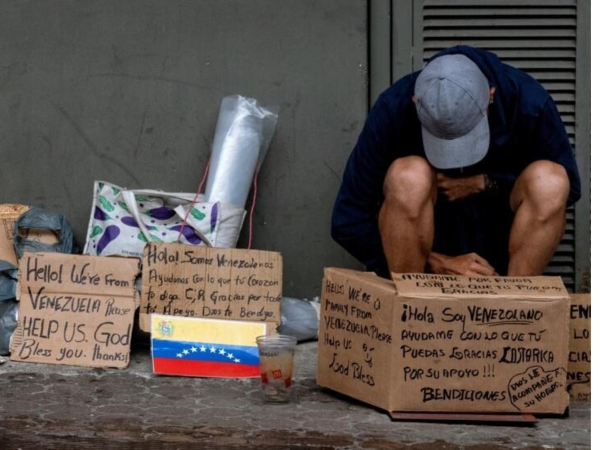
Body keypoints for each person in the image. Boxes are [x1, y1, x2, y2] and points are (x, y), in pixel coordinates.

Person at [331, 45, 581, 278]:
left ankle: (512, 307)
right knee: (408, 176)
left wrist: (486, 183)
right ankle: (412, 312)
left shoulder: (529, 102)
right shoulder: (393, 107)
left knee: (551, 181)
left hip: (504, 258)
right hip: (424, 265)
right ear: (416, 102)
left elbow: (567, 192)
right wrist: (437, 263)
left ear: (490, 96)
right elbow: (348, 220)